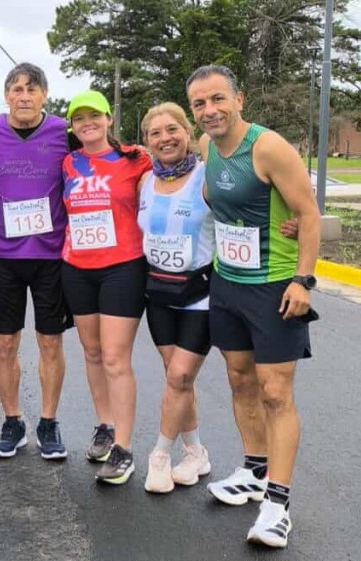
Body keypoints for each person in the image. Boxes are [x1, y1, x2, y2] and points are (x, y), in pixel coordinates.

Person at [188, 64, 321, 548]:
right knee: (240, 379)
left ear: (239, 99)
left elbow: (309, 214)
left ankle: (277, 505)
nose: (210, 110)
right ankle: (254, 471)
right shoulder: (206, 147)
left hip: (274, 285)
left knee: (275, 392)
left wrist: (303, 280)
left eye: (218, 99)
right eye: (200, 103)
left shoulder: (267, 147)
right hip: (227, 281)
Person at [0, 63, 75, 460]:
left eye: (32, 89)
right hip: (2, 256)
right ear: (6, 96)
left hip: (51, 255)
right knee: (4, 343)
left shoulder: (64, 132)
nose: (24, 97)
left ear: (44, 95)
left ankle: (48, 422)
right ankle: (12, 421)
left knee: (50, 341)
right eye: (17, 89)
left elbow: (102, 157)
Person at [59, 90, 152, 484]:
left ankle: (124, 448)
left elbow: (176, 182)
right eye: (79, 118)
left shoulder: (136, 159)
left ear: (108, 118)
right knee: (93, 352)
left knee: (115, 358)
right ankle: (105, 426)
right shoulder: (68, 162)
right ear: (72, 126)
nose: (87, 124)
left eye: (94, 116)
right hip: (78, 267)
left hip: (123, 266)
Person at [136, 102, 215, 493]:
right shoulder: (144, 181)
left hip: (201, 292)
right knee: (176, 377)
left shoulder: (206, 175)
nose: (165, 138)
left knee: (180, 375)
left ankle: (160, 455)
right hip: (159, 292)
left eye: (173, 130)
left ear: (187, 132)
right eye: (155, 133)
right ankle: (196, 452)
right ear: (146, 141)